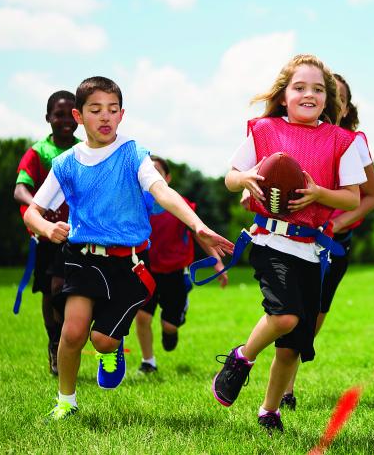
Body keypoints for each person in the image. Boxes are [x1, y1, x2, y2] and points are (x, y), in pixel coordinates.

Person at [23, 76, 234, 421]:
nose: (105, 117)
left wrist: (198, 225)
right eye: (96, 110)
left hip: (129, 263)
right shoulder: (66, 163)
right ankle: (66, 401)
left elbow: (162, 192)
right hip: (81, 257)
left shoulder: (133, 154)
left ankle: (111, 349)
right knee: (72, 332)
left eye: (112, 110)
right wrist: (47, 227)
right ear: (79, 116)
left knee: (102, 340)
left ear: (122, 115)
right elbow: (33, 211)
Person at [212, 54, 365, 434]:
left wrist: (318, 193)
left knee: (293, 344)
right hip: (270, 241)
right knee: (284, 316)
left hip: (311, 250)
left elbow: (352, 199)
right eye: (300, 87)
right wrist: (245, 177)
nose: (308, 94)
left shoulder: (340, 141)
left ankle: (269, 411)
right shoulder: (264, 130)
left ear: (329, 100)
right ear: (284, 95)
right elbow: (230, 177)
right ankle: (241, 359)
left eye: (317, 89)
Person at [274, 73, 374, 410]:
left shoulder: (353, 142)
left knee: (315, 315)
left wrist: (334, 224)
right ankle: (285, 389)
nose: (330, 101)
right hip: (297, 240)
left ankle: (287, 378)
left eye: (339, 97)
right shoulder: (294, 136)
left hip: (334, 243)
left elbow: (371, 197)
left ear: (345, 106)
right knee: (291, 312)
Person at [135, 155, 228, 374]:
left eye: (157, 171)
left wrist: (217, 262)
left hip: (174, 273)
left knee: (169, 328)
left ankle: (171, 327)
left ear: (167, 177)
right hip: (146, 270)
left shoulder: (180, 205)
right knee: (142, 316)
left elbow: (199, 234)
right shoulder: (136, 205)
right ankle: (148, 362)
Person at [14, 90, 80, 376]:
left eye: (70, 114)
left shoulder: (84, 149)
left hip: (79, 236)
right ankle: (56, 343)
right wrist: (38, 209)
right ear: (48, 118)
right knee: (51, 290)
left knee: (71, 290)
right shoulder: (39, 152)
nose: (65, 120)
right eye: (59, 114)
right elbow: (20, 189)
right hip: (46, 235)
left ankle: (69, 338)